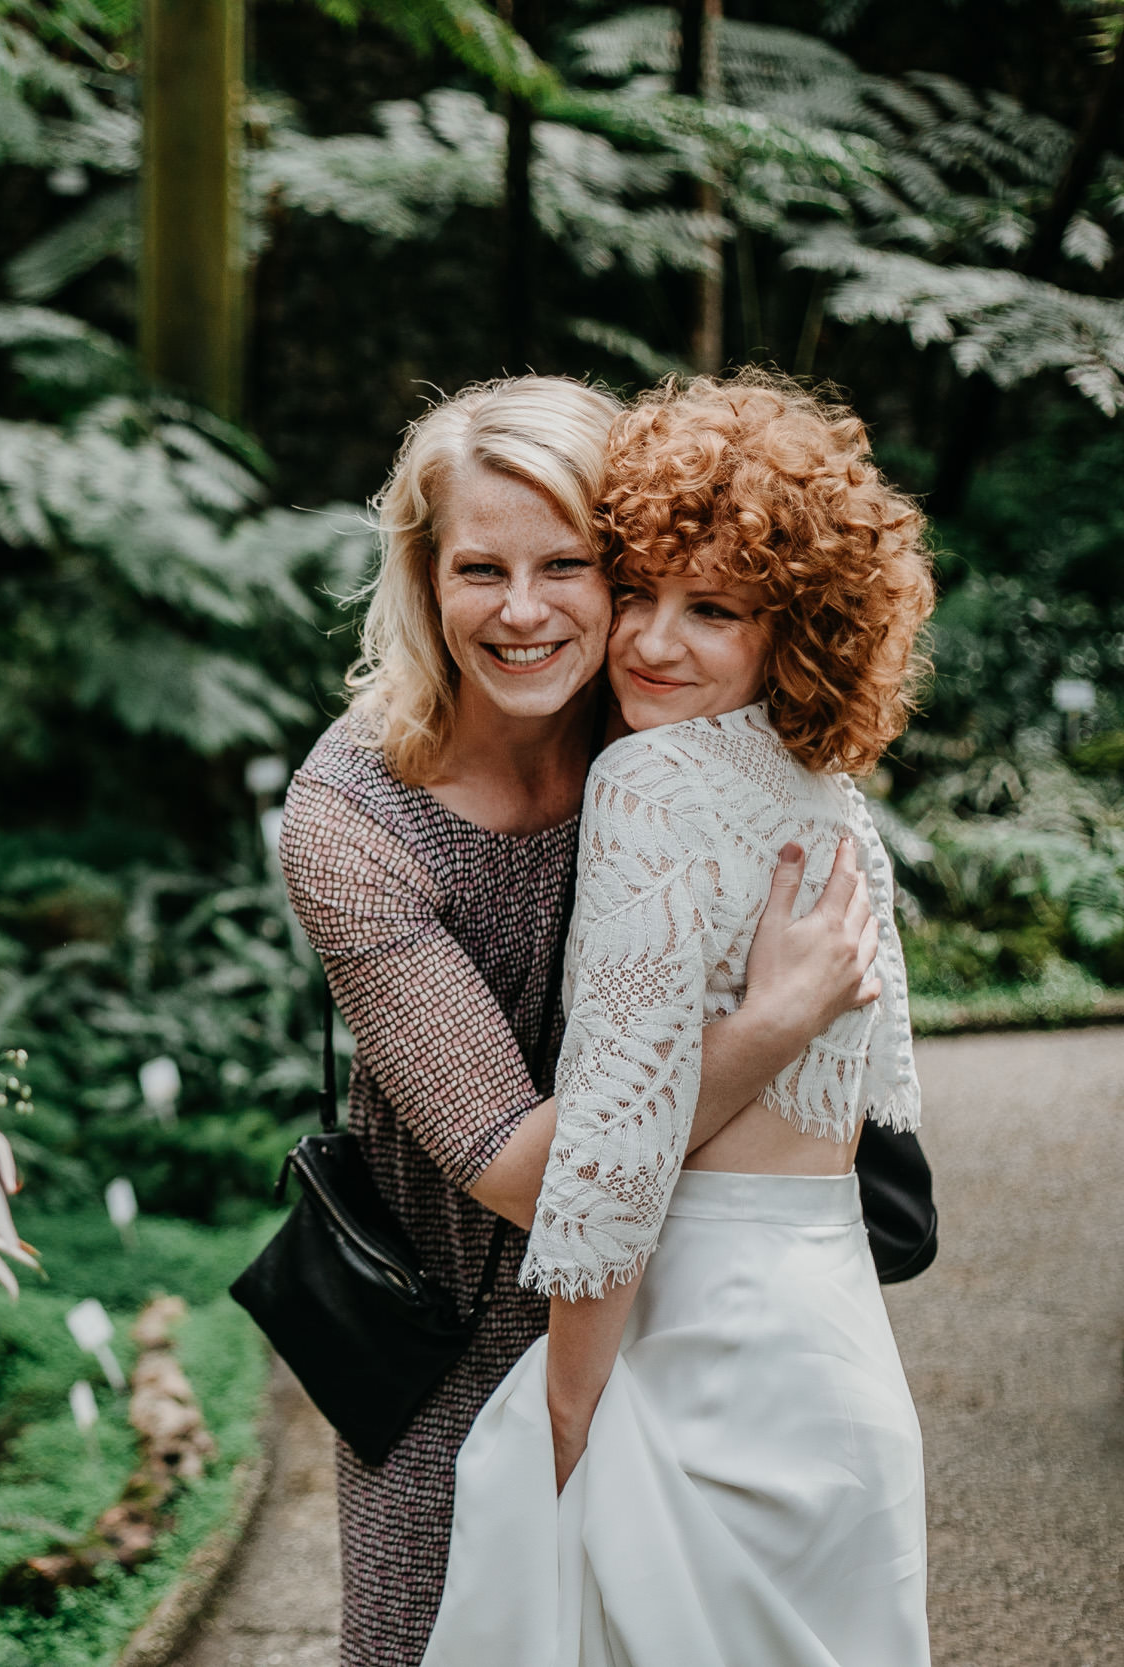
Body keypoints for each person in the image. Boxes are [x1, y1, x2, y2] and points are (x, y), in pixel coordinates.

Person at [275, 375, 889, 1667]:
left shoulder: (666, 716)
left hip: (657, 1314)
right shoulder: (355, 819)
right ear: (422, 576)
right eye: (480, 568)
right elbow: (518, 1168)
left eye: (571, 565)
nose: (525, 610)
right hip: (448, 1342)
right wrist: (769, 1029)